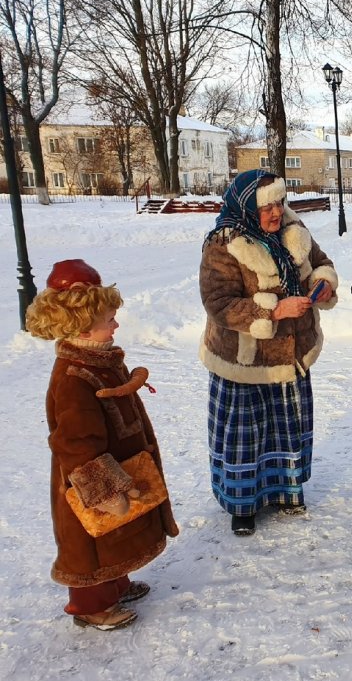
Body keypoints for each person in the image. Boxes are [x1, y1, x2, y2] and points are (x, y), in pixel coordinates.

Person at [25, 259, 179, 631]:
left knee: (115, 535)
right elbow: (76, 444)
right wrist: (103, 488)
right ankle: (91, 605)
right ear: (82, 324)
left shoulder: (97, 358)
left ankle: (116, 583)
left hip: (119, 461)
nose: (116, 324)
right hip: (92, 481)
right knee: (91, 543)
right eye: (109, 318)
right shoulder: (74, 376)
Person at [199, 170, 338, 536]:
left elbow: (321, 262)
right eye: (267, 207)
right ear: (246, 207)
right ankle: (242, 506)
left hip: (290, 355)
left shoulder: (294, 228)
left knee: (286, 429)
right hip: (245, 362)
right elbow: (218, 304)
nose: (276, 212)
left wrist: (322, 285)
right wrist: (272, 312)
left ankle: (285, 492)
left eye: (279, 202)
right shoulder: (224, 244)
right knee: (245, 436)